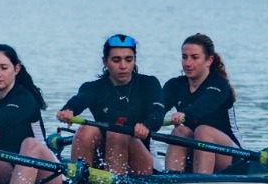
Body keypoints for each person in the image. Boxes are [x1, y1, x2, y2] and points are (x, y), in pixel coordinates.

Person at [56, 34, 166, 175]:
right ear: (105, 61)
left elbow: (157, 115)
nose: (123, 66)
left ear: (135, 60)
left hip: (143, 159)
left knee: (117, 133)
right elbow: (81, 99)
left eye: (128, 59)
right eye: (116, 60)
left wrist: (147, 125)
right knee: (85, 130)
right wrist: (68, 109)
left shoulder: (149, 83)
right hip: (104, 154)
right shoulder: (93, 87)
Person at [0, 45, 63, 184]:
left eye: (4, 68)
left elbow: (1, 117)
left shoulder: (25, 98)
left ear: (16, 69)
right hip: (9, 168)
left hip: (46, 171)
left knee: (30, 144)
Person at [161, 33, 241, 173]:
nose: (187, 63)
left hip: (233, 157)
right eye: (184, 57)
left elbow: (205, 105)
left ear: (209, 60)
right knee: (180, 131)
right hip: (196, 151)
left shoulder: (219, 85)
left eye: (194, 57)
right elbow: (154, 109)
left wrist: (184, 114)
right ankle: (171, 180)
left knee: (203, 131)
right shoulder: (175, 85)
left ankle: (200, 183)